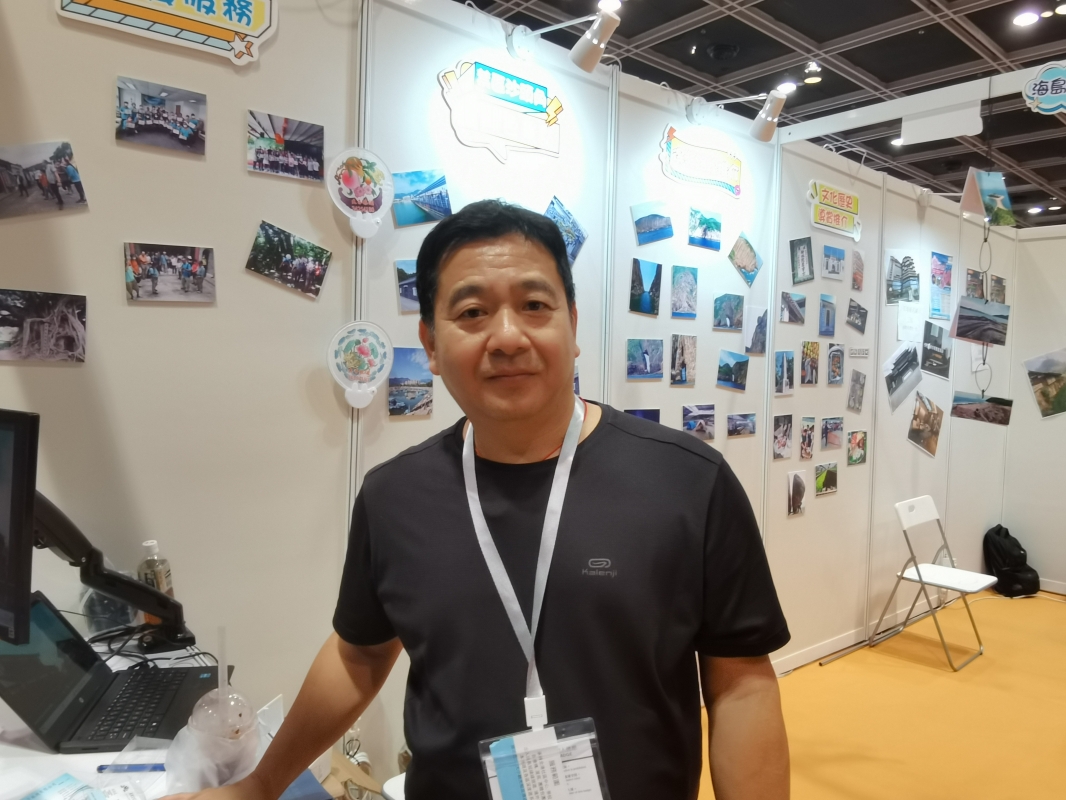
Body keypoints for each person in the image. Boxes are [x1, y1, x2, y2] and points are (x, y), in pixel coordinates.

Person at [166, 201, 790, 800]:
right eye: (471, 312)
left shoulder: (686, 481)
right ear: (431, 345)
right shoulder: (394, 497)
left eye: (535, 305)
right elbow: (359, 653)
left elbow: (740, 684)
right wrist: (259, 785)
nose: (508, 337)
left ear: (573, 325)